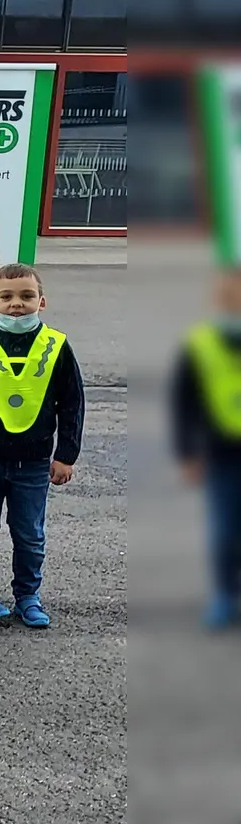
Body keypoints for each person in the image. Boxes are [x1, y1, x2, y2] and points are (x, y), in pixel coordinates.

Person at [0, 264, 84, 628]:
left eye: (26, 296)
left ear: (42, 300)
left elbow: (72, 403)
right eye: (6, 297)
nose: (17, 304)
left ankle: (27, 596)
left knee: (29, 533)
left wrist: (66, 455)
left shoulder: (56, 346)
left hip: (34, 461)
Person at [174, 268, 241, 630]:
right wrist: (187, 452)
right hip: (222, 453)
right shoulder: (201, 343)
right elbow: (185, 402)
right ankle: (224, 596)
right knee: (225, 528)